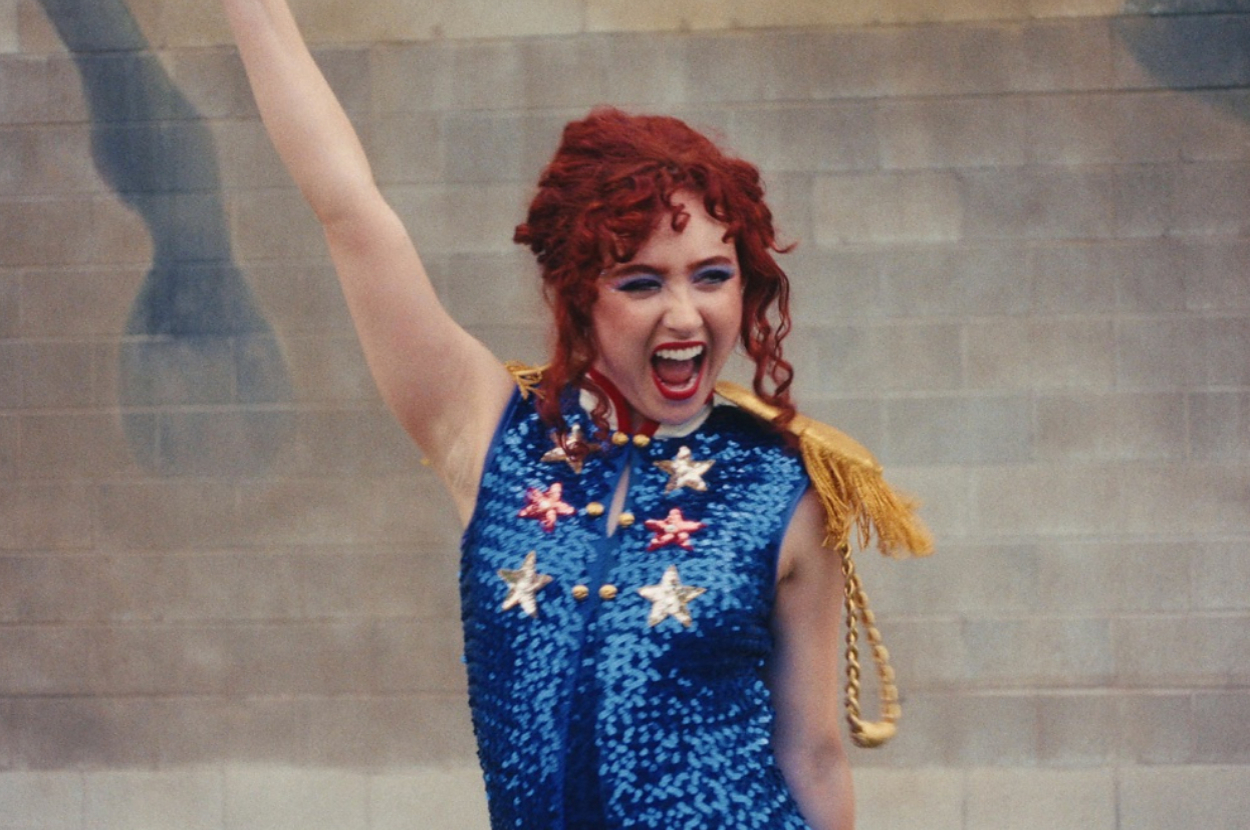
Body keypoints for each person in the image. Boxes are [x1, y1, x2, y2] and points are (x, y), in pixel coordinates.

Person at [220, 2, 931, 828]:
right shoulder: (489, 432)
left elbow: (811, 755)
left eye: (712, 276)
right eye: (640, 282)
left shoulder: (786, 486)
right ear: (577, 298)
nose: (685, 315)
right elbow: (349, 210)